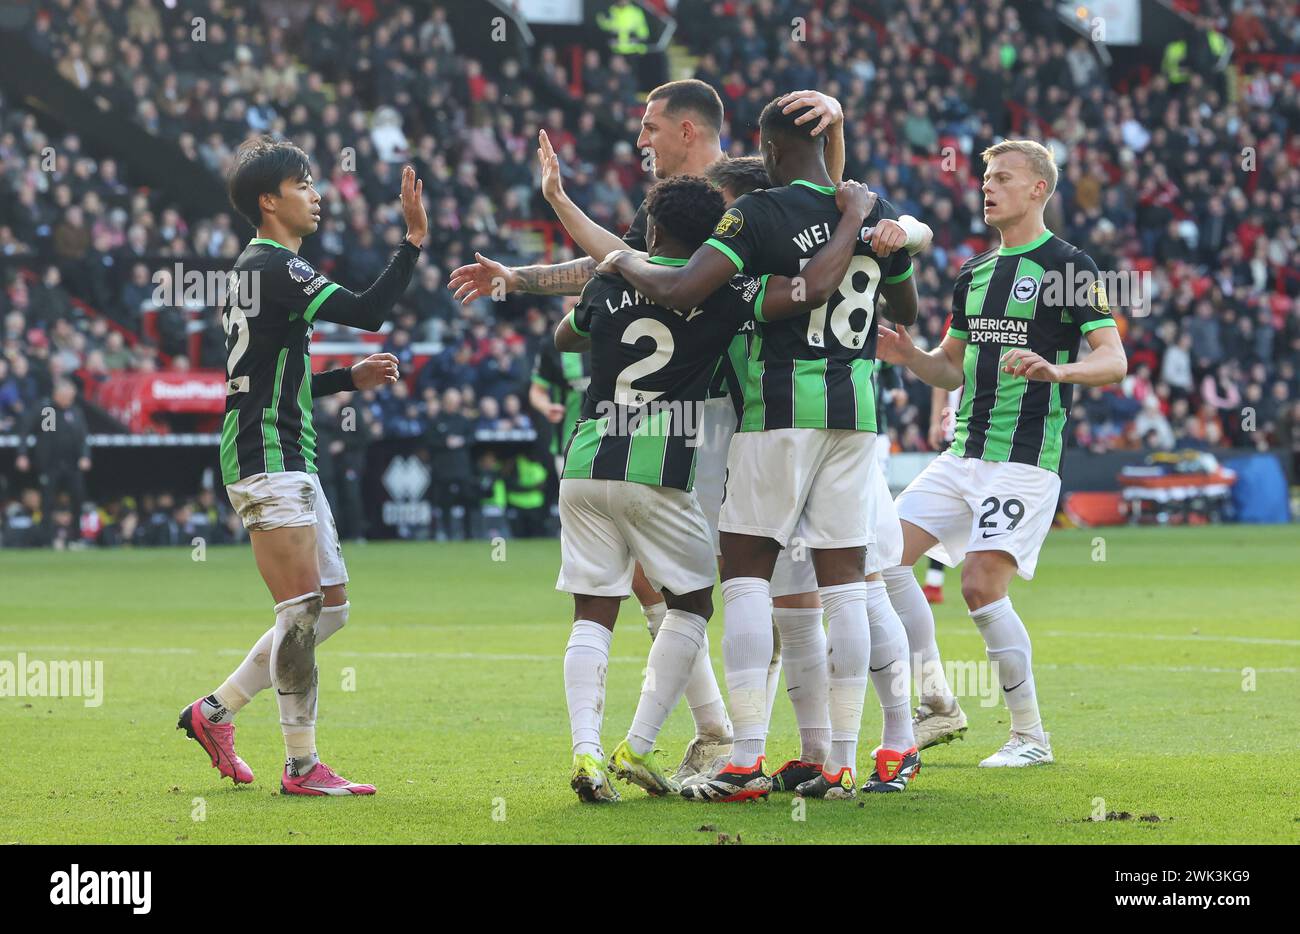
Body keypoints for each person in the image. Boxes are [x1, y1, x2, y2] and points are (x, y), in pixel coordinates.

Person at [450, 81, 851, 782]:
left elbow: (623, 278)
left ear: (689, 130)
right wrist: (521, 276)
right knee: (676, 583)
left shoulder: (749, 193)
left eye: (649, 126)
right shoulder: (666, 217)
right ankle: (720, 733)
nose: (641, 141)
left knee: (774, 582)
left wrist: (561, 218)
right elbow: (612, 266)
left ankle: (810, 745)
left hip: (741, 410)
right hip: (693, 415)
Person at [602, 95, 927, 801]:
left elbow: (692, 286)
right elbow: (904, 311)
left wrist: (617, 259)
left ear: (768, 152)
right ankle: (842, 757)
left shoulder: (759, 218)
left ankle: (747, 754)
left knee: (746, 574)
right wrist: (887, 231)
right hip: (857, 413)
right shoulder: (870, 212)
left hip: (780, 411)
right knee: (847, 586)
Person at [557, 172, 878, 802]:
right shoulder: (728, 293)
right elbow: (809, 290)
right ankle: (639, 745)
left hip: (586, 464)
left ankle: (587, 753)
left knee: (594, 611)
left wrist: (591, 249)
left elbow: (564, 338)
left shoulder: (609, 280)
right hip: (660, 475)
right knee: (696, 604)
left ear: (651, 228)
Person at [177, 136, 425, 796]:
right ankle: (301, 765)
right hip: (265, 455)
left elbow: (268, 379)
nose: (317, 195)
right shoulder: (274, 268)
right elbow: (370, 311)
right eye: (303, 184)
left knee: (329, 610)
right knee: (303, 611)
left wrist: (346, 377)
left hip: (289, 450)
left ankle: (215, 711)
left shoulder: (257, 271)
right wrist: (413, 242)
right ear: (269, 200)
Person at [876, 140, 1127, 767]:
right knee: (882, 560)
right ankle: (937, 700)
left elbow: (1112, 360)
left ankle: (1029, 738)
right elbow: (950, 368)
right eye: (986, 178)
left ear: (1039, 188)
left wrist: (1056, 370)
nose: (988, 187)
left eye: (1004, 178)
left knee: (980, 585)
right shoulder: (974, 272)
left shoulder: (1069, 267)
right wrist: (911, 359)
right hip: (964, 454)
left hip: (1024, 459)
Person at [15, 379, 91, 527]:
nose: (70, 400)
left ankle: (75, 536)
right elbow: (30, 432)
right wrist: (22, 454)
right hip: (51, 464)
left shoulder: (75, 411)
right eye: (67, 397)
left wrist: (85, 456)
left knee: (78, 497)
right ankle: (46, 536)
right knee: (47, 500)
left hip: (72, 464)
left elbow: (83, 437)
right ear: (57, 395)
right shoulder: (47, 409)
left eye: (71, 397)